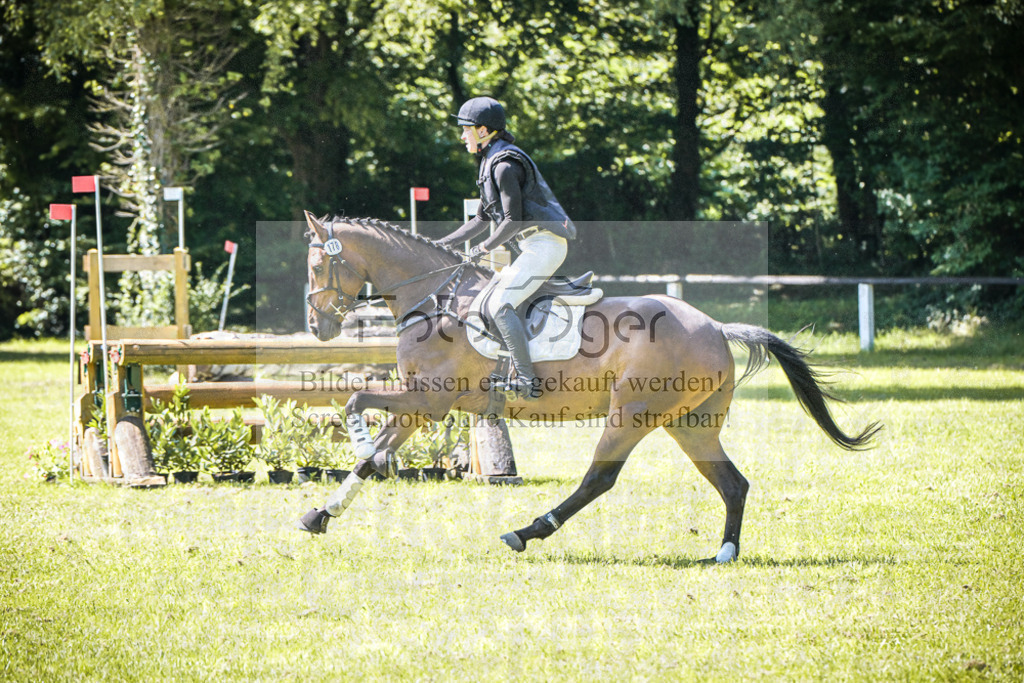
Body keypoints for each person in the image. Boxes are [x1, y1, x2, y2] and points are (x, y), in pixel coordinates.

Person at [436, 96, 576, 401]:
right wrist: (440, 245)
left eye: (466, 129)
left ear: (483, 131)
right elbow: (481, 219)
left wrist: (483, 248)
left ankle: (527, 380)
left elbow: (513, 220)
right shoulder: (489, 162)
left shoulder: (504, 165)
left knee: (500, 304)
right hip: (532, 245)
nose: (462, 136)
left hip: (546, 244)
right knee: (488, 299)